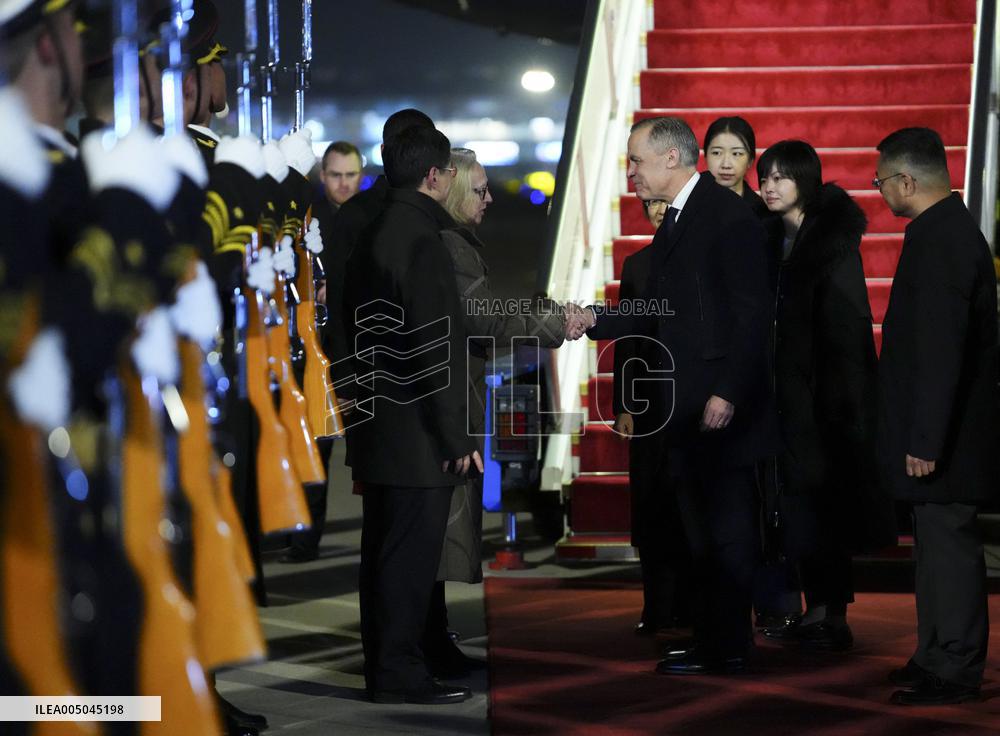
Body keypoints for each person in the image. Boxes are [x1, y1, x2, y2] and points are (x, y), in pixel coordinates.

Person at [574, 116, 777, 675]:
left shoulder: (726, 214)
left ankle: (730, 644)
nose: (630, 172)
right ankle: (712, 638)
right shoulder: (681, 219)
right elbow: (658, 311)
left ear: (671, 158)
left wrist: (728, 390)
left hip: (717, 408)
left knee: (727, 531)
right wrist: (593, 320)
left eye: (636, 160)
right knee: (700, 533)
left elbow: (753, 312)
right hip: (683, 409)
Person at [343, 125, 481, 705]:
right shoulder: (421, 238)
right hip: (417, 432)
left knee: (381, 557)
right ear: (433, 176)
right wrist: (455, 434)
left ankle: (389, 667)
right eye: (449, 172)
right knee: (405, 563)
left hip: (378, 422)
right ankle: (399, 675)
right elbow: (436, 343)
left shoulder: (374, 227)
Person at [423, 147, 567, 674]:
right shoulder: (453, 247)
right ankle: (424, 650)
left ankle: (432, 642)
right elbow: (486, 320)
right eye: (480, 191)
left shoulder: (449, 240)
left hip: (446, 401)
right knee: (435, 536)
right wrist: (554, 323)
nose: (489, 200)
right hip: (449, 404)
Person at [752, 140, 895, 652]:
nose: (768, 185)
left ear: (805, 182)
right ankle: (811, 610)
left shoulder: (833, 243)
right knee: (796, 508)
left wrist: (840, 409)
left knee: (823, 508)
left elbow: (848, 332)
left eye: (780, 177)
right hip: (782, 398)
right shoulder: (770, 239)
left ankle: (829, 615)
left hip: (825, 403)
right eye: (764, 176)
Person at [874, 127, 998, 705]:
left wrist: (925, 437)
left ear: (906, 180)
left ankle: (955, 667)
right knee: (934, 548)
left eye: (881, 182)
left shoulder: (944, 239)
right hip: (939, 431)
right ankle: (934, 654)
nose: (879, 192)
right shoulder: (940, 230)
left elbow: (941, 349)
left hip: (946, 437)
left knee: (950, 550)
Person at [612, 198, 693, 640]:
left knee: (689, 507)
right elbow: (627, 336)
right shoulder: (637, 264)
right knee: (651, 505)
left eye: (667, 202)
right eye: (653, 204)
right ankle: (656, 606)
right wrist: (625, 403)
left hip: (693, 398)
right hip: (649, 405)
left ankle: (690, 606)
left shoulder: (699, 258)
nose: (660, 210)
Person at [702, 116, 768, 218]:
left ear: (750, 160)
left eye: (736, 153)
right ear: (706, 156)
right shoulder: (687, 204)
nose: (726, 165)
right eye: (717, 153)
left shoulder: (763, 213)